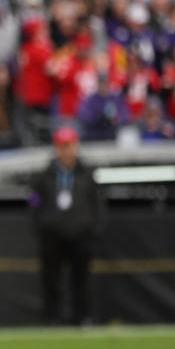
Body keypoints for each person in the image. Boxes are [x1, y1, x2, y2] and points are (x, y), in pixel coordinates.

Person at [29, 126, 104, 325]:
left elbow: (97, 204)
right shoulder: (45, 175)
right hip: (53, 235)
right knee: (51, 280)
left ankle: (82, 317)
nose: (66, 151)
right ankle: (52, 317)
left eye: (69, 146)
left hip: (80, 235)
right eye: (62, 146)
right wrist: (42, 227)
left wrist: (92, 229)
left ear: (76, 147)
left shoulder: (87, 173)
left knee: (81, 279)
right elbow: (35, 203)